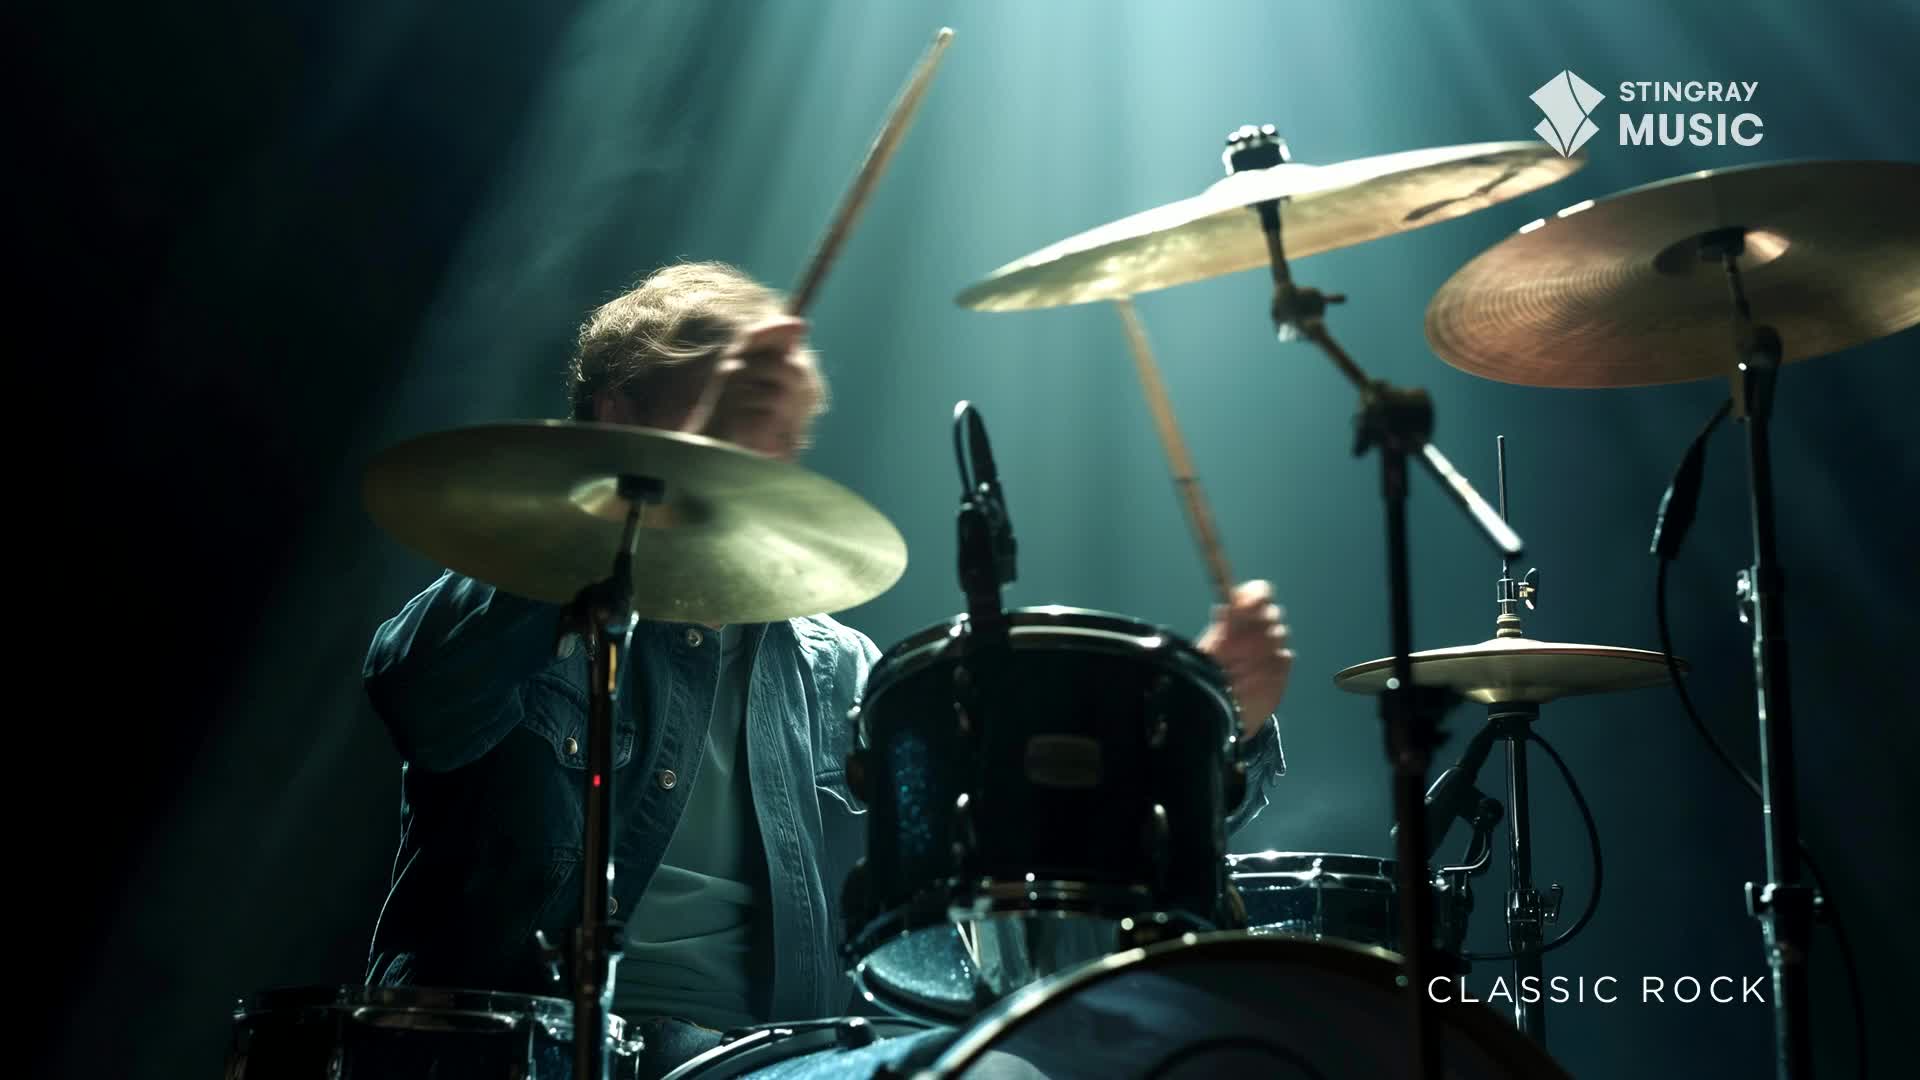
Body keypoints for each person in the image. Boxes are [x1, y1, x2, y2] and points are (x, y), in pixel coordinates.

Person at [360, 261, 1293, 1077]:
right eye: (723, 408)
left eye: (768, 428)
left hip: (771, 1065)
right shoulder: (509, 600)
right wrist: (665, 473)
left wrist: (1202, 730)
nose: (759, 449)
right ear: (616, 420)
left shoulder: (840, 668)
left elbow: (1012, 852)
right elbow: (423, 696)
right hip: (515, 1052)